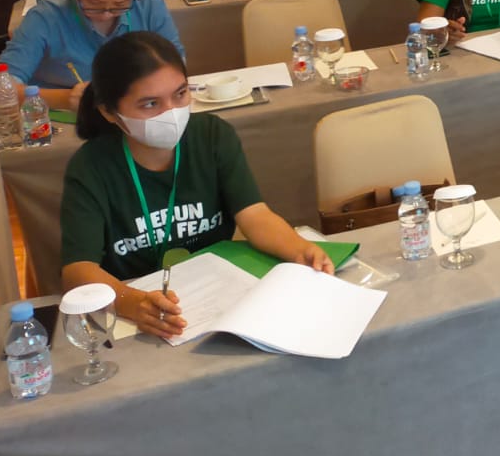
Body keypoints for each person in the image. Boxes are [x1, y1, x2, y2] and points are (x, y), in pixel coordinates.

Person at [60, 31, 334, 341]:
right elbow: (77, 270)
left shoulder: (212, 136)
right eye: (150, 104)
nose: (171, 113)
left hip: (218, 296)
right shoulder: (91, 167)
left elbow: (255, 215)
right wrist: (131, 302)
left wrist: (299, 249)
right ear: (109, 112)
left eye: (180, 94)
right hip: (136, 309)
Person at [1, 0, 184, 112]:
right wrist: (65, 98)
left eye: (120, 5)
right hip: (64, 116)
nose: (106, 14)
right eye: (94, 5)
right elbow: (2, 89)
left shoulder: (149, 6)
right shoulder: (45, 17)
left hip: (137, 111)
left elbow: (176, 64)